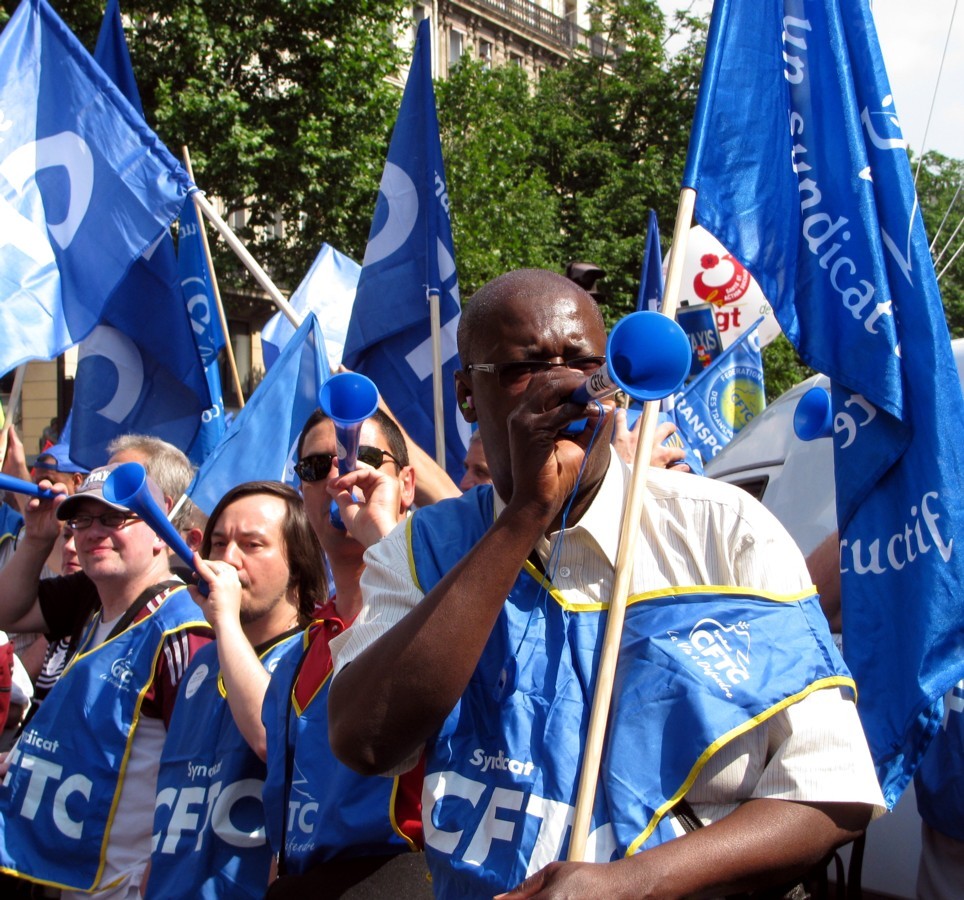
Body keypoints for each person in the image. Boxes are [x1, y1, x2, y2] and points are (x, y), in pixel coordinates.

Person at [327, 268, 885, 898]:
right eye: (523, 367)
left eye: (586, 363)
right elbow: (365, 741)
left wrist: (633, 883)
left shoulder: (726, 533)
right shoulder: (420, 548)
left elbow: (830, 789)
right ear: (465, 394)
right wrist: (523, 519)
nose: (565, 386)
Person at [0, 464, 212, 898]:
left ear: (160, 529)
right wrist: (39, 538)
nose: (94, 532)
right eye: (82, 520)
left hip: (129, 887)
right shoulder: (94, 606)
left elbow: (202, 775)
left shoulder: (183, 632)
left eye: (114, 518)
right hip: (69, 875)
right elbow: (8, 612)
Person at [258, 408, 428, 896]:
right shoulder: (295, 655)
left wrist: (385, 541)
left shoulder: (445, 607)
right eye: (316, 468)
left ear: (408, 484)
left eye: (363, 457)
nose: (340, 477)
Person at [147, 481, 325, 899]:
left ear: (297, 562)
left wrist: (224, 620)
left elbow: (271, 737)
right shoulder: (203, 662)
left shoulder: (315, 653)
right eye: (219, 542)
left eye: (252, 544)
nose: (227, 560)